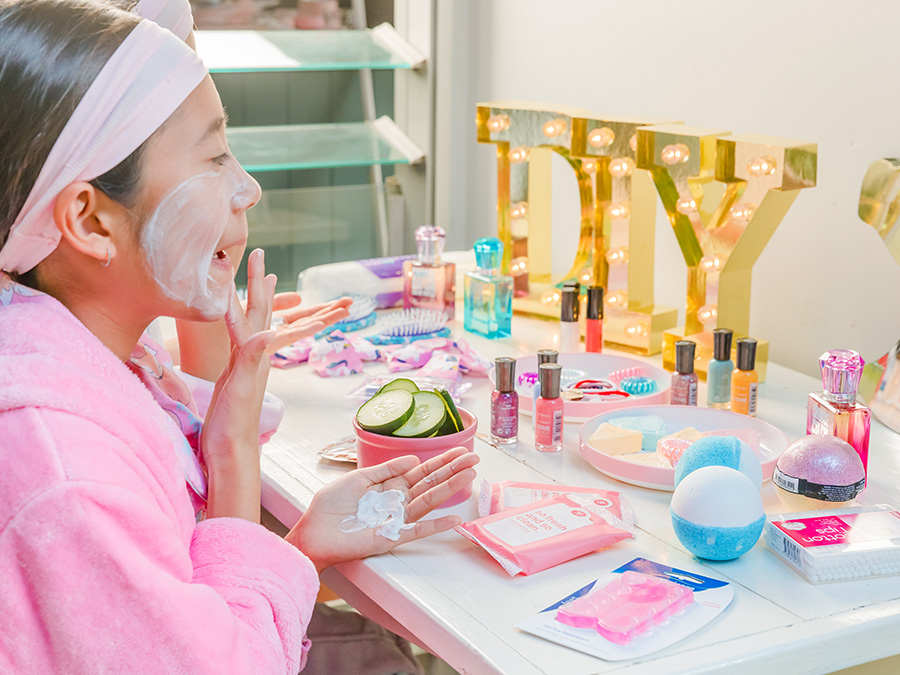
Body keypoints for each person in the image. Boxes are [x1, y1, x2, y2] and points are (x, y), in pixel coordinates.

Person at [0, 1, 479, 673]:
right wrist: (230, 456)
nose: (247, 189)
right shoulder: (68, 475)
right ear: (89, 220)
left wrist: (297, 540)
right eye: (216, 155)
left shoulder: (86, 359)